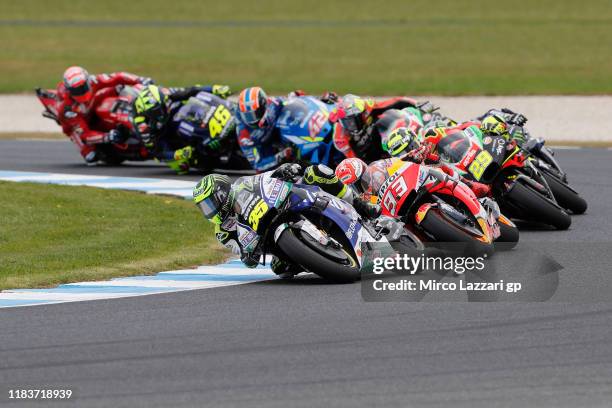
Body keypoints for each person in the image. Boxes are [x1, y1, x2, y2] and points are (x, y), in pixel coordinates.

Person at [193, 163, 380, 277]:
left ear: (222, 192)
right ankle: (323, 258)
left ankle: (359, 204)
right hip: (267, 237)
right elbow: (243, 255)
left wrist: (284, 170)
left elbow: (263, 178)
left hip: (285, 202)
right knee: (280, 269)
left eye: (211, 203)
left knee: (318, 171)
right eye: (205, 207)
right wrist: (248, 256)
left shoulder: (242, 185)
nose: (210, 210)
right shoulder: (223, 232)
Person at [56, 66, 154, 163]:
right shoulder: (67, 110)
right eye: (76, 90)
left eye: (83, 87)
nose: (81, 92)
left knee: (118, 88)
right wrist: (107, 136)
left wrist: (139, 79)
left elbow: (118, 76)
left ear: (87, 81)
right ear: (69, 90)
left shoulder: (93, 81)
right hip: (75, 126)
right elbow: (85, 135)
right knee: (91, 157)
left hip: (93, 104)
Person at [131, 83, 232, 173]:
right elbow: (157, 152)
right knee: (182, 166)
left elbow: (192, 90)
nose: (160, 112)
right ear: (148, 114)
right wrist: (177, 154)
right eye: (155, 112)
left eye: (160, 108)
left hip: (179, 118)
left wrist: (214, 88)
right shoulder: (144, 127)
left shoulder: (167, 95)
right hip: (167, 137)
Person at [234, 87, 339, 172]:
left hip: (284, 135)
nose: (253, 120)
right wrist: (281, 155)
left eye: (255, 113)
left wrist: (322, 99)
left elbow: (294, 99)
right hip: (270, 152)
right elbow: (258, 165)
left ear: (264, 104)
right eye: (248, 116)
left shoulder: (273, 104)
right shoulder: (244, 135)